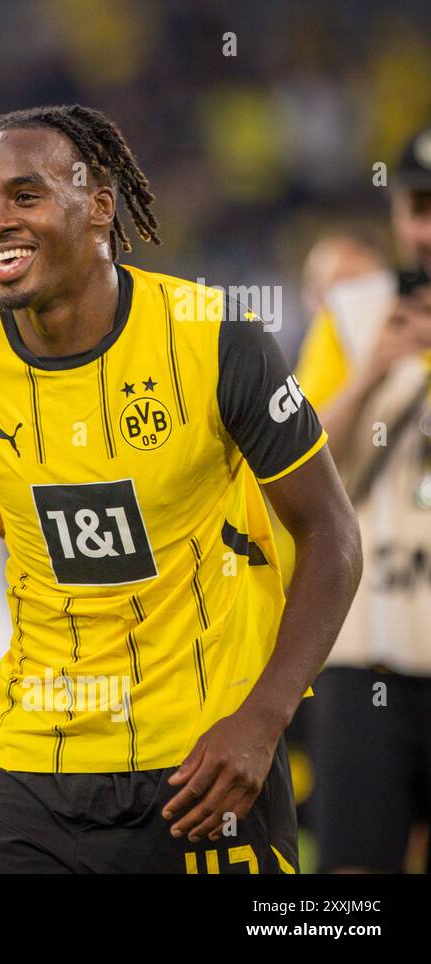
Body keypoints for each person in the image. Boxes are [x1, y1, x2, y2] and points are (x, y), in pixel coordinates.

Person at [0, 104, 362, 873]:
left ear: (99, 206)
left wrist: (261, 722)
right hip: (35, 757)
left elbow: (332, 535)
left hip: (202, 759)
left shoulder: (216, 339)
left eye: (27, 196)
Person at [293, 125, 431, 873]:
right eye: (417, 205)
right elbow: (295, 464)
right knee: (350, 886)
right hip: (366, 653)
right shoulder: (354, 314)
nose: (427, 228)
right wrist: (372, 371)